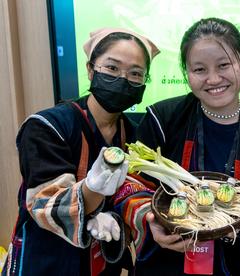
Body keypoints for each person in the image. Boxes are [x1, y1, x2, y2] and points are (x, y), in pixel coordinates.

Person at [113, 18, 240, 275]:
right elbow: (128, 184)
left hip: (227, 267)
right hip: (161, 264)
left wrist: (234, 223)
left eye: (224, 65)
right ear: (187, 73)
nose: (213, 78)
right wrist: (149, 221)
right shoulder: (163, 118)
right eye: (199, 69)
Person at [1, 27, 159, 275]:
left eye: (136, 73)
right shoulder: (48, 126)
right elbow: (43, 201)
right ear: (90, 69)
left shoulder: (134, 135)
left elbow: (134, 194)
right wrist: (91, 191)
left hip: (102, 265)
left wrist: (120, 216)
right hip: (46, 261)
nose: (123, 79)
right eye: (112, 68)